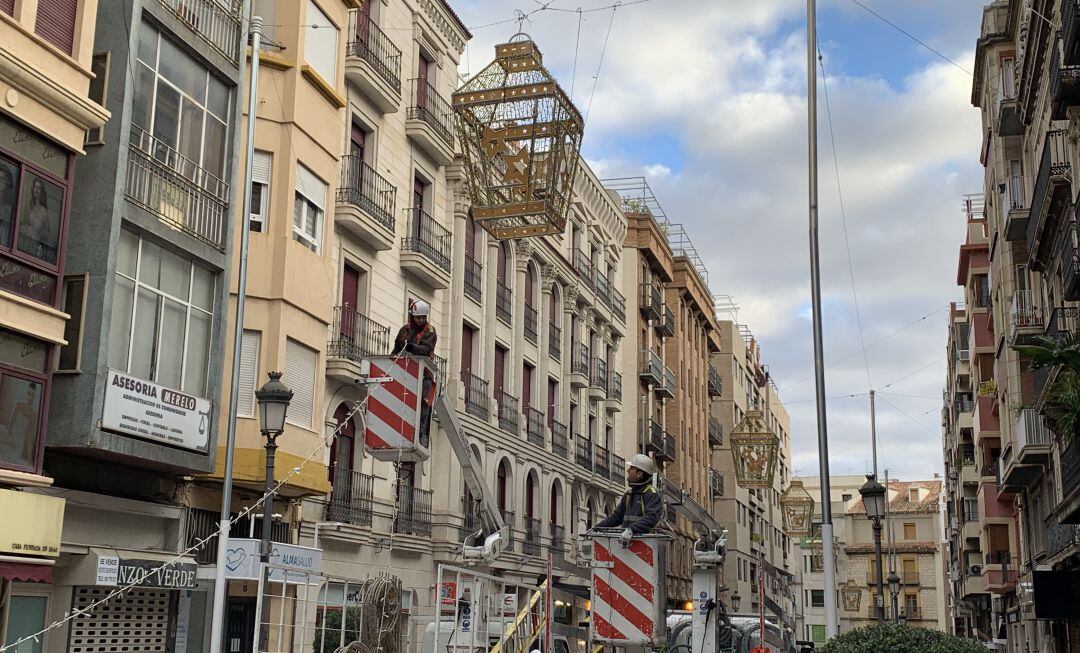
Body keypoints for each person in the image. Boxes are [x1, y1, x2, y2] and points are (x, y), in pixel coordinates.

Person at [391, 300, 437, 444]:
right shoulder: (404, 330)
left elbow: (426, 349)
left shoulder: (430, 330)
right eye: (419, 318)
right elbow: (396, 349)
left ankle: (422, 434)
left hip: (424, 374)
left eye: (424, 317)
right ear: (412, 316)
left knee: (424, 402)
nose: (421, 320)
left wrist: (412, 348)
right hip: (405, 372)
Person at [595, 453, 663, 542]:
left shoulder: (651, 493)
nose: (628, 471)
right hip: (627, 542)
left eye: (631, 468)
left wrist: (631, 530)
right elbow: (617, 517)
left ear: (639, 473)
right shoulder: (629, 494)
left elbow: (651, 517)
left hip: (646, 543)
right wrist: (597, 528)